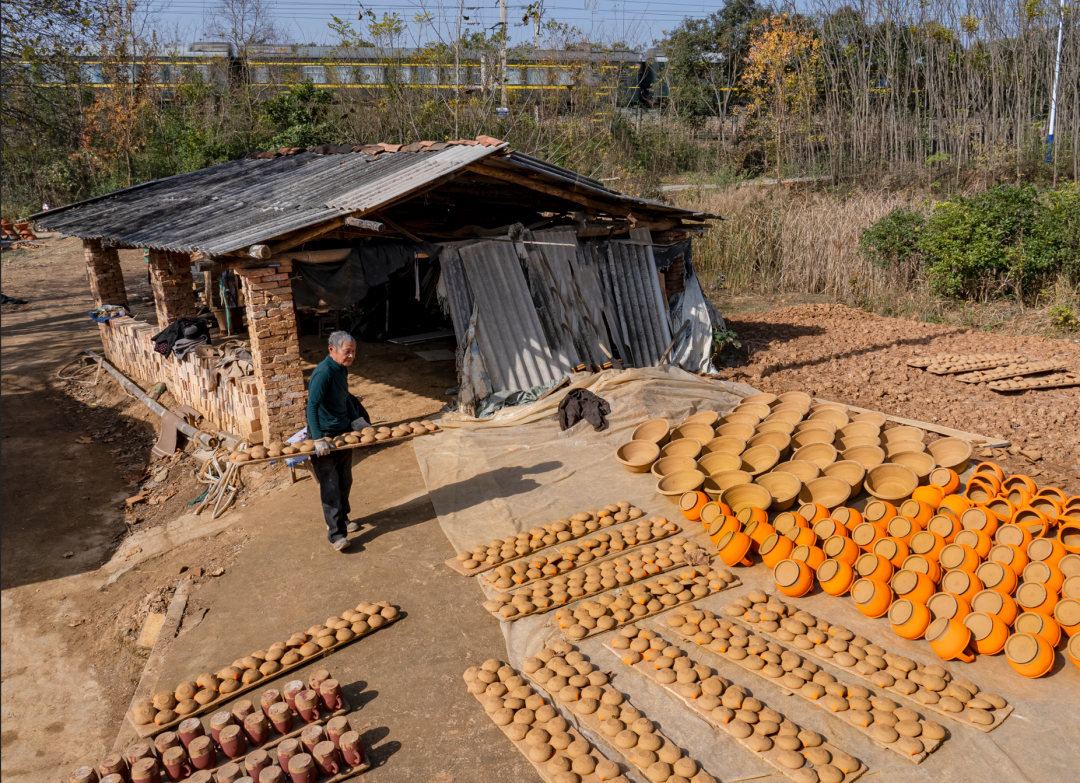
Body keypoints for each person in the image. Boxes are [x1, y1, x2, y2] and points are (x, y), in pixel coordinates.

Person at [306, 331, 370, 551]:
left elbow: (344, 397)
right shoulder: (323, 373)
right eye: (347, 351)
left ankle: (342, 519)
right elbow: (311, 407)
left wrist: (356, 420)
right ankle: (336, 534)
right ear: (331, 349)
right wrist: (317, 439)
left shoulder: (341, 370)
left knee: (345, 480)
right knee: (330, 484)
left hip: (342, 434)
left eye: (353, 352)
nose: (351, 356)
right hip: (323, 434)